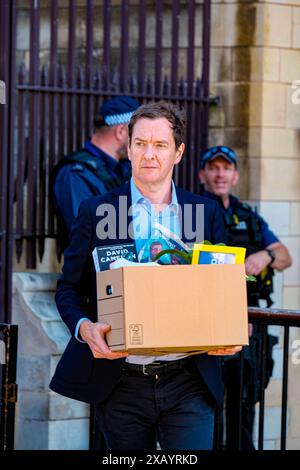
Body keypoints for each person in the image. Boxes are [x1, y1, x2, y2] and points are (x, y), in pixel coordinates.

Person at [50, 102, 242, 450]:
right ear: (129, 146)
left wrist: (229, 327)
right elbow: (68, 289)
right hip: (121, 382)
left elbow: (222, 287)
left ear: (178, 152)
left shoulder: (206, 212)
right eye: (140, 143)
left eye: (160, 145)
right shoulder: (96, 211)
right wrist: (84, 327)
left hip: (190, 379)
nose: (148, 154)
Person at [199, 145, 292, 450]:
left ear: (236, 175)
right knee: (205, 403)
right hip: (206, 321)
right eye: (214, 168)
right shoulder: (193, 211)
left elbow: (285, 256)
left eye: (226, 168)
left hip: (251, 322)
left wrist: (265, 256)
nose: (220, 174)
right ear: (203, 175)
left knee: (243, 403)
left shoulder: (247, 215)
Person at [53, 95, 140, 249]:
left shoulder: (123, 169)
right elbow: (84, 233)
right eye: (139, 135)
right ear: (121, 132)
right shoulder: (76, 174)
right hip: (92, 270)